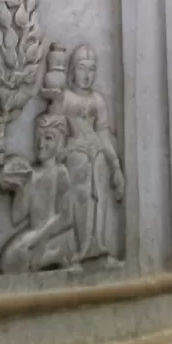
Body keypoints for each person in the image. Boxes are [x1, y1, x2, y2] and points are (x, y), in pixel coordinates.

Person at [44, 44, 124, 263]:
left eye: (92, 69)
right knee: (81, 196)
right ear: (71, 70)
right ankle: (82, 247)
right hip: (75, 155)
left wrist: (115, 166)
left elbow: (103, 134)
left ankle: (99, 245)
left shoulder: (98, 101)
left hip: (97, 154)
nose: (87, 75)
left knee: (100, 196)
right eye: (81, 68)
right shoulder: (66, 98)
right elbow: (53, 127)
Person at [0, 115, 78, 274]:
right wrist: (20, 187)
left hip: (54, 235)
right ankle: (50, 260)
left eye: (48, 138)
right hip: (33, 235)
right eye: (38, 138)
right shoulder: (31, 173)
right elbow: (17, 217)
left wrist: (41, 240)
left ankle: (57, 257)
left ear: (60, 143)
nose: (41, 144)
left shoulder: (60, 173)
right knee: (7, 262)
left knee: (15, 259)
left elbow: (66, 217)